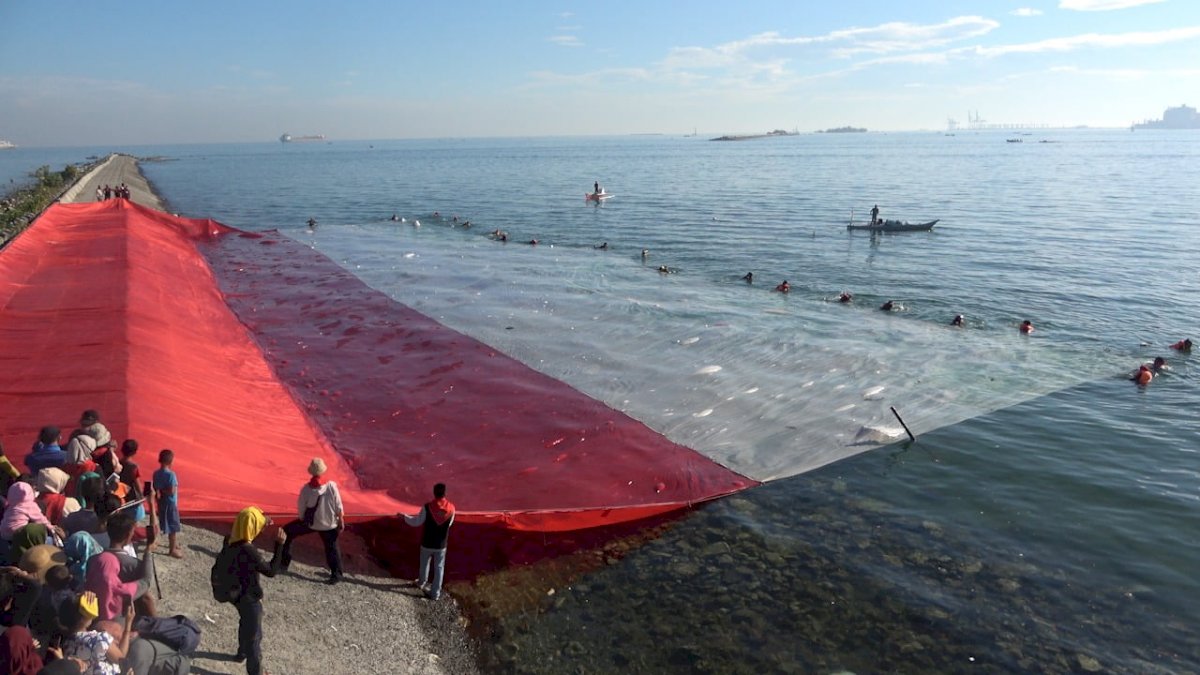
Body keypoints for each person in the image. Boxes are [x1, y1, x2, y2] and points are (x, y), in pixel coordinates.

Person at [223, 506, 286, 675]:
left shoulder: (230, 540)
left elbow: (249, 520)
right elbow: (271, 571)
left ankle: (240, 653)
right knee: (254, 636)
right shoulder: (248, 550)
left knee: (245, 622)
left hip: (235, 595)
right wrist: (279, 546)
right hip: (249, 597)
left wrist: (265, 521)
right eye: (258, 525)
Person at [280, 458, 344, 585]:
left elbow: (301, 508)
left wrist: (303, 520)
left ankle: (283, 562)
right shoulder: (331, 486)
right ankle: (336, 575)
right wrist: (341, 519)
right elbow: (338, 505)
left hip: (312, 523)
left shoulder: (307, 489)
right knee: (332, 548)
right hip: (329, 524)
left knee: (286, 532)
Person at [401, 483, 455, 601]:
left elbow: (416, 522)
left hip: (427, 542)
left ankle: (421, 583)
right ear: (445, 493)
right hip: (441, 545)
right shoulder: (452, 508)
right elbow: (449, 524)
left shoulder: (427, 507)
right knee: (439, 568)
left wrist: (404, 517)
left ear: (434, 493)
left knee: (424, 564)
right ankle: (435, 594)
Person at [63, 590, 134, 674]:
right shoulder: (98, 639)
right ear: (85, 616)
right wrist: (128, 623)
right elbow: (122, 660)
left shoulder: (66, 645)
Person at [152, 450, 182, 558]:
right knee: (173, 526)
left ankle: (173, 544)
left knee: (166, 523)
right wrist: (164, 490)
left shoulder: (156, 473)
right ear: (170, 461)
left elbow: (155, 488)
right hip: (170, 503)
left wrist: (159, 493)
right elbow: (172, 491)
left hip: (161, 502)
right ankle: (172, 549)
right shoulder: (171, 475)